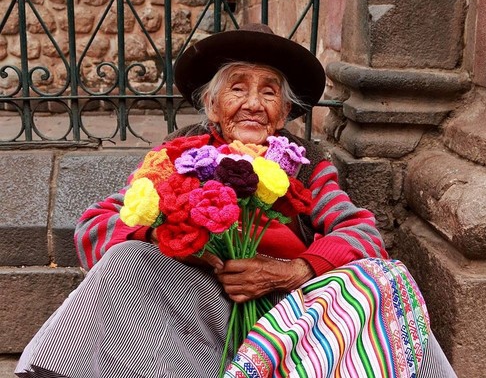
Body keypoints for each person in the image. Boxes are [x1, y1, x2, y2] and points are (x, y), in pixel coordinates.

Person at [15, 24, 456, 378]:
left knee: (381, 277)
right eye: (237, 88)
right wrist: (177, 238)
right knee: (130, 259)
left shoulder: (307, 165)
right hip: (200, 305)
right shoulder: (177, 156)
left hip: (292, 311)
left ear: (284, 113)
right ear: (211, 105)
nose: (253, 105)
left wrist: (291, 271)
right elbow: (94, 227)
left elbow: (361, 233)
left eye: (269, 92)